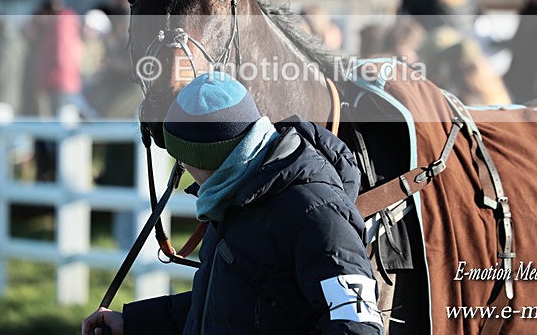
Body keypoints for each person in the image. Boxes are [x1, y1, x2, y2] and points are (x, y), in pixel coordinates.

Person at [83, 72, 383, 335]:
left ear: (208, 158)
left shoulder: (315, 210)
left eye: (183, 160)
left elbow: (356, 325)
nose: (183, 168)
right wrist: (134, 324)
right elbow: (229, 305)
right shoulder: (238, 195)